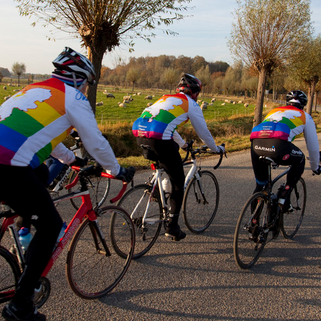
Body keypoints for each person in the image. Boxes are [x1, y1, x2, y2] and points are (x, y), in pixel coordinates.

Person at [0, 47, 135, 321]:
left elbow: (46, 134)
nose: (86, 88)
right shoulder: (72, 96)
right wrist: (116, 169)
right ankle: (21, 305)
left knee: (38, 177)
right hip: (7, 164)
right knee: (50, 225)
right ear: (78, 78)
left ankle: (22, 227)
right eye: (86, 82)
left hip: (12, 160)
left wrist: (71, 159)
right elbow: (96, 141)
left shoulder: (37, 88)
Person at [132, 73, 225, 241]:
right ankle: (172, 226)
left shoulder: (166, 98)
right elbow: (203, 132)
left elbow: (168, 126)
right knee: (178, 181)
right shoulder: (191, 104)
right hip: (159, 139)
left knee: (168, 160)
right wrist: (216, 149)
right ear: (195, 93)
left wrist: (183, 145)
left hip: (139, 133)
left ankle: (158, 195)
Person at [250, 90, 321, 214]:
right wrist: (315, 167)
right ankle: (284, 195)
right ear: (303, 104)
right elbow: (313, 147)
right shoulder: (305, 116)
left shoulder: (274, 111)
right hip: (278, 147)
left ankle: (253, 224)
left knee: (261, 185)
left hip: (256, 145)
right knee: (300, 159)